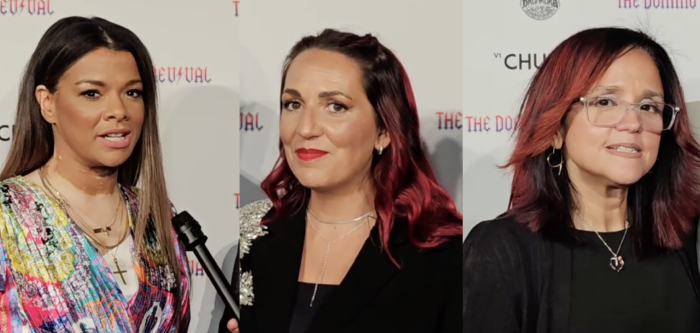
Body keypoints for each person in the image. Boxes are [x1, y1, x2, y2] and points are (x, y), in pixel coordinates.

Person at [222, 29, 462, 333]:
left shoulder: (441, 255)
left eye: (336, 106)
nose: (306, 128)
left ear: (384, 131)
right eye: (293, 104)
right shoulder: (256, 238)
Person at [462, 27, 700, 333]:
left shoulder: (687, 239)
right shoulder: (499, 251)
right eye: (605, 102)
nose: (632, 123)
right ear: (556, 129)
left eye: (649, 107)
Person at [0, 16, 190, 332]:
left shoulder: (157, 217)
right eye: (92, 93)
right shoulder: (7, 216)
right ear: (47, 103)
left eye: (132, 93)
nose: (119, 110)